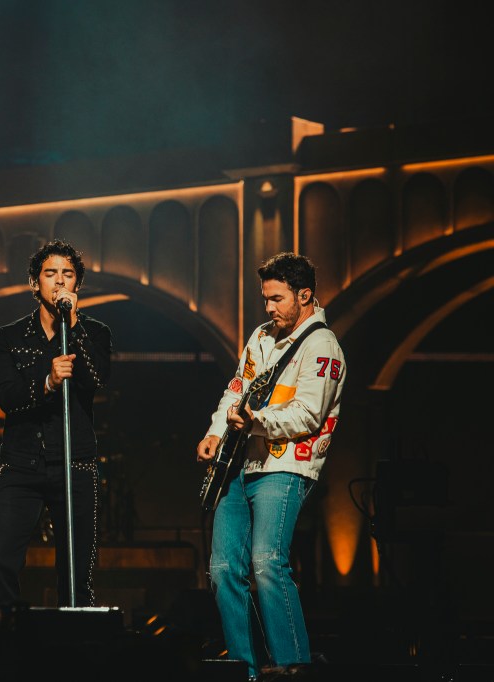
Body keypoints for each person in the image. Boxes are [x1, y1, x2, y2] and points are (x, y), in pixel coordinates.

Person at [196, 252, 346, 681]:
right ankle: (244, 670)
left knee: (267, 562)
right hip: (240, 463)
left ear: (305, 295)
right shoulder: (261, 337)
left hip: (287, 466)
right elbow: (236, 389)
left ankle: (293, 666)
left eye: (277, 298)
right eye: (266, 298)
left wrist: (256, 422)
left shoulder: (323, 346)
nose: (269, 307)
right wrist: (215, 432)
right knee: (222, 569)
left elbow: (309, 414)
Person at [0, 239, 114, 607]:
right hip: (21, 464)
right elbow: (6, 396)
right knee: (0, 562)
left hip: (75, 464)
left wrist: (73, 324)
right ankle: (3, 637)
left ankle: (72, 641)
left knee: (76, 575)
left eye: (67, 274)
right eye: (50, 273)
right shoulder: (8, 337)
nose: (59, 281)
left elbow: (97, 378)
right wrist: (46, 383)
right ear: (34, 282)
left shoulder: (95, 332)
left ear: (77, 285)